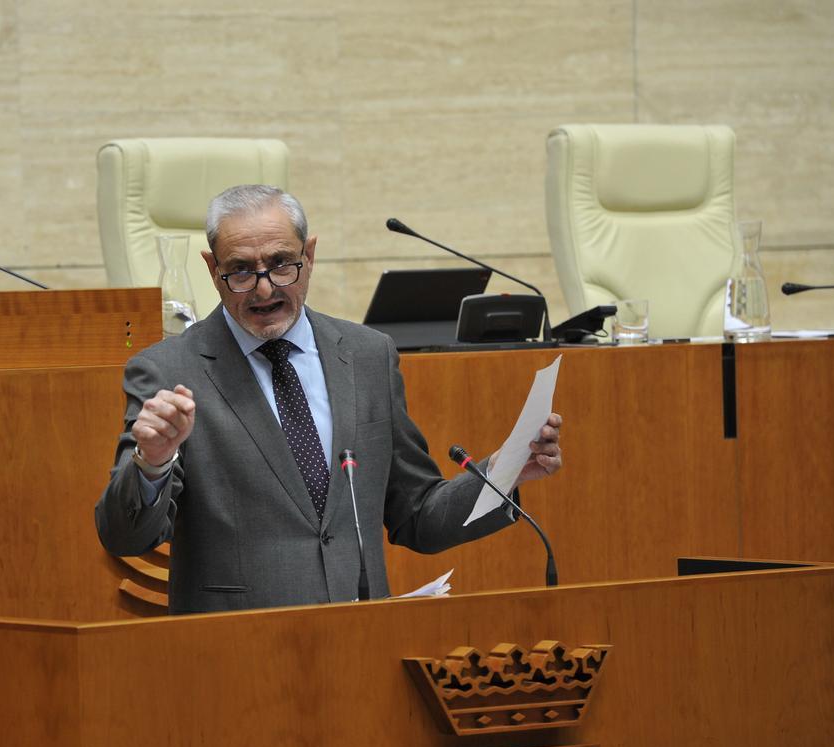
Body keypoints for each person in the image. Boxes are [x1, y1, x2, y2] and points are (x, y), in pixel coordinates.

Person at [95, 184, 563, 614]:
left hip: (361, 647)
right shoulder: (170, 371)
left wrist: (504, 472)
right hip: (237, 653)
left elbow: (416, 514)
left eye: (282, 263)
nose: (264, 288)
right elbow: (124, 534)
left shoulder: (366, 356)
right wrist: (152, 463)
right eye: (240, 271)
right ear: (211, 270)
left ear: (310, 254)